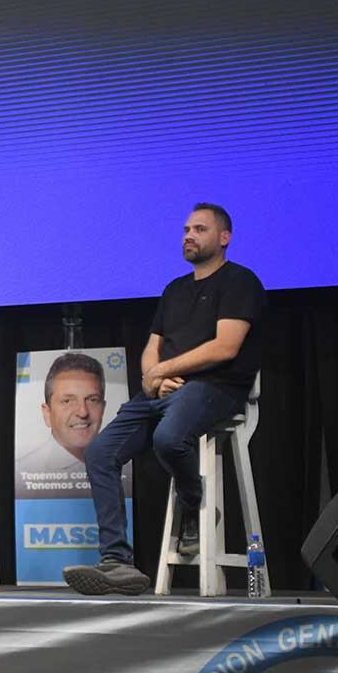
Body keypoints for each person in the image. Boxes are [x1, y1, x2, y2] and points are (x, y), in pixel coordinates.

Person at [64, 203, 265, 596]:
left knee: (169, 439)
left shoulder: (241, 282)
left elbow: (226, 347)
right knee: (100, 452)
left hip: (216, 388)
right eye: (187, 229)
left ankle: (193, 501)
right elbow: (151, 348)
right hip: (161, 391)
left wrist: (163, 371)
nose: (189, 235)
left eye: (200, 229)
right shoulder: (174, 289)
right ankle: (117, 562)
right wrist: (152, 377)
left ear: (224, 237)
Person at [15, 353, 107, 482]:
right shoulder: (22, 471)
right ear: (47, 413)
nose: (83, 412)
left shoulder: (124, 467)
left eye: (92, 400)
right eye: (67, 401)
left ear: (103, 408)